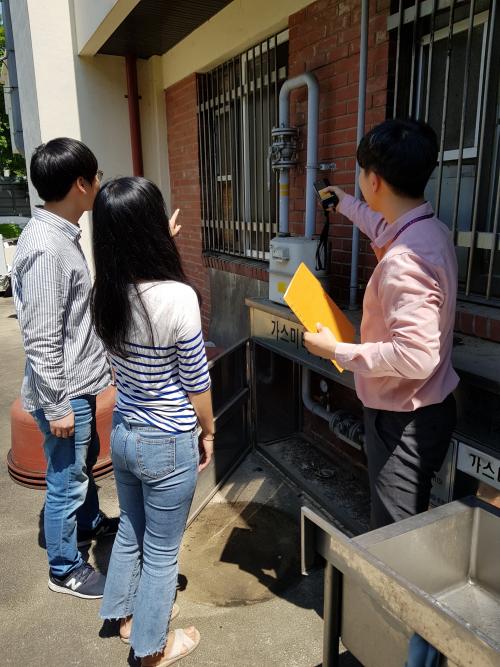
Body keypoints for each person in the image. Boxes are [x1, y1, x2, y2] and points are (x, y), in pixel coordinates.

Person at [304, 119, 458, 529]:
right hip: (426, 407)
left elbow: (416, 356)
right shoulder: (431, 231)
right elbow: (385, 228)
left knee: (392, 536)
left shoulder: (404, 262)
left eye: (361, 173)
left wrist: (336, 350)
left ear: (373, 180)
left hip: (403, 421)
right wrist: (344, 202)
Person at [91, 177, 214, 666]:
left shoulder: (106, 293)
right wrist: (210, 430)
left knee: (131, 529)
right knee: (163, 551)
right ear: (151, 230)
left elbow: (140, 291)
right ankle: (151, 651)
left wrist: (153, 237)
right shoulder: (178, 297)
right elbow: (197, 381)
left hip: (123, 432)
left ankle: (124, 618)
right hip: (167, 440)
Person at [11, 138, 116, 598]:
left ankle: (89, 522)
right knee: (66, 480)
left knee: (81, 466)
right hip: (65, 391)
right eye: (96, 176)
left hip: (77, 384)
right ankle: (64, 568)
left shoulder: (60, 234)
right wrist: (57, 406)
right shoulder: (46, 248)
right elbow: (40, 337)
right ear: (80, 184)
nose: (100, 183)